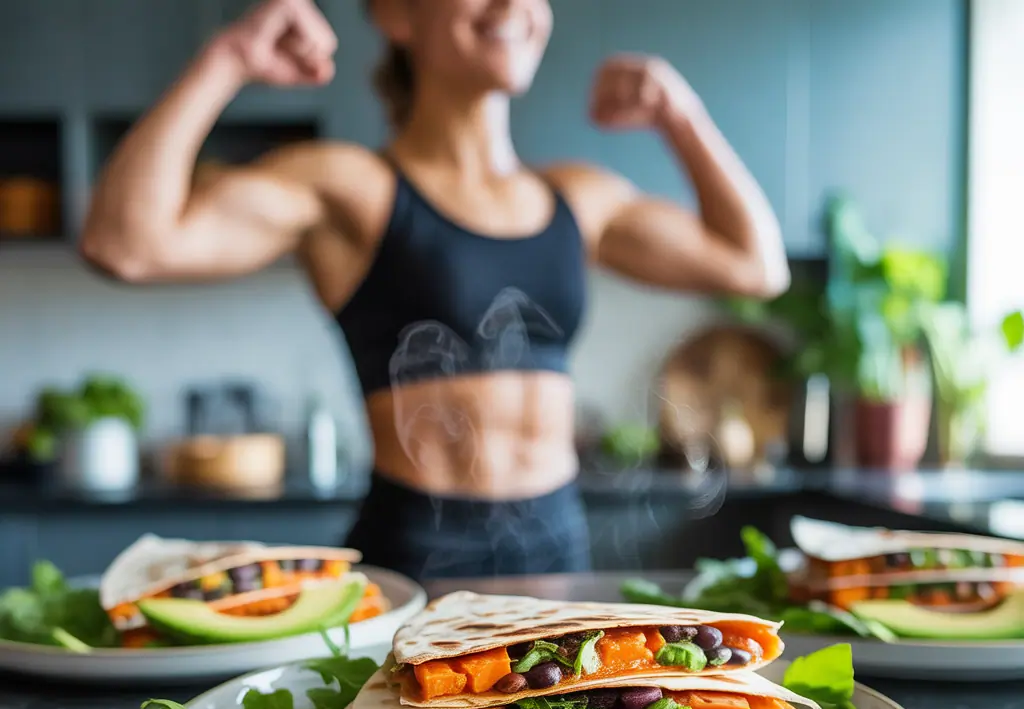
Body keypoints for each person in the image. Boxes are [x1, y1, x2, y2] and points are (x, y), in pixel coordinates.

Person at [81, 0, 789, 581]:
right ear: (394, 14)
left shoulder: (580, 199)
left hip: (558, 548)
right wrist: (228, 58)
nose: (514, 6)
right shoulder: (352, 190)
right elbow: (126, 244)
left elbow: (755, 266)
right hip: (416, 550)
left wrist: (679, 113)